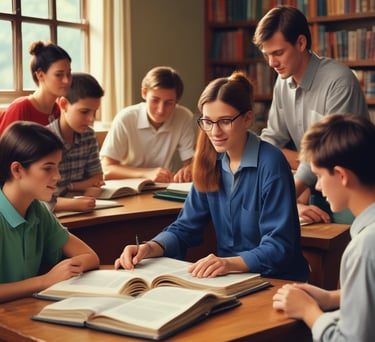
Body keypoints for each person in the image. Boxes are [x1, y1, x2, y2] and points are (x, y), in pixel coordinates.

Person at [114, 71, 309, 282]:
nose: (215, 132)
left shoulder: (271, 162)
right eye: (208, 121)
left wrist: (227, 263)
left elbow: (279, 246)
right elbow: (185, 227)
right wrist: (150, 247)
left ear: (247, 119)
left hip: (277, 280)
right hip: (230, 280)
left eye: (225, 121)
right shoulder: (209, 162)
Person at [253, 5, 369, 224]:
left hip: (351, 188)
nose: (272, 63)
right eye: (267, 55)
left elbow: (329, 149)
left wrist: (281, 200)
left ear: (301, 43)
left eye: (278, 53)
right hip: (315, 184)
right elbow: (273, 137)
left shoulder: (339, 81)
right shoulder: (282, 80)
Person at [272, 114, 375, 341]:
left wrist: (308, 311)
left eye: (319, 176)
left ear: (341, 175)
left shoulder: (363, 249)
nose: (317, 186)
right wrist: (331, 298)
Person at [0, 121, 100, 303]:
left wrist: (66, 269)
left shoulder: (37, 210)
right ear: (17, 170)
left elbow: (90, 257)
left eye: (57, 166)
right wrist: (45, 281)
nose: (58, 176)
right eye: (48, 168)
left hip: (20, 313)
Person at [100, 66, 196, 183]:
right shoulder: (126, 118)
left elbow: (192, 163)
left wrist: (188, 170)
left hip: (163, 187)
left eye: (169, 103)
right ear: (144, 93)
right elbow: (106, 168)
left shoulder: (184, 116)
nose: (161, 110)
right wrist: (146, 174)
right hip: (128, 188)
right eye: (155, 100)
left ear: (177, 101)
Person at [46, 72, 105, 213]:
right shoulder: (44, 140)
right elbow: (37, 199)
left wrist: (70, 187)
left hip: (81, 210)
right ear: (63, 104)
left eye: (94, 112)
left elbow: (97, 178)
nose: (91, 119)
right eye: (84, 112)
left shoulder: (88, 136)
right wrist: (75, 202)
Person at [0, 41, 72, 136]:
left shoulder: (58, 111)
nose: (66, 80)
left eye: (69, 73)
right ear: (40, 75)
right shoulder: (20, 108)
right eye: (59, 75)